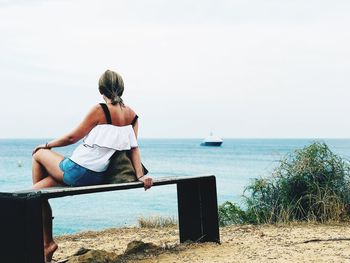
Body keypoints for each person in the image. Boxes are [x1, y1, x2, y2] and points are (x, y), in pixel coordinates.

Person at [31, 69, 153, 262]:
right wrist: (139, 176)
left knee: (38, 155)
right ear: (122, 89)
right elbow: (133, 149)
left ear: (100, 89)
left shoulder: (100, 110)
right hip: (96, 176)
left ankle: (38, 216)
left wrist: (47, 145)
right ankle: (47, 244)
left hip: (76, 170)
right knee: (37, 191)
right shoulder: (132, 116)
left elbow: (72, 137)